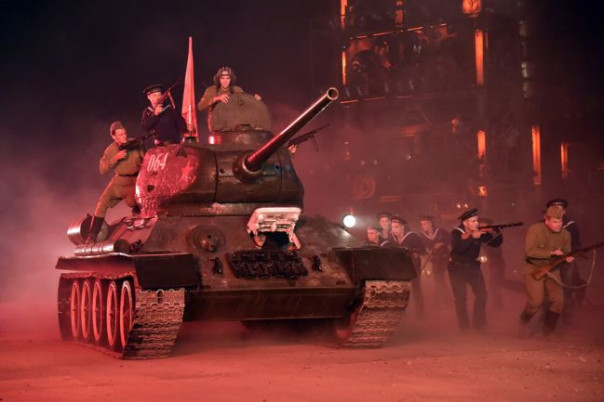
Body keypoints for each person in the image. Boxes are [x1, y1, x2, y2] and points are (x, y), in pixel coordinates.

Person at [86, 121, 145, 243]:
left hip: (135, 180)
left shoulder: (135, 144)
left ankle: (140, 230)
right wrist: (115, 158)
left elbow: (146, 160)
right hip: (119, 181)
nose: (124, 136)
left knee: (137, 203)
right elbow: (102, 169)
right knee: (102, 203)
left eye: (125, 133)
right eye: (120, 134)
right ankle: (92, 235)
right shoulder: (110, 150)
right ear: (114, 136)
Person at [520, 205, 573, 336]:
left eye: (560, 221)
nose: (558, 225)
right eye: (555, 221)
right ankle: (523, 322)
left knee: (558, 301)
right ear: (546, 220)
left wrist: (567, 258)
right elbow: (530, 251)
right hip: (533, 268)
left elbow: (566, 252)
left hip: (553, 269)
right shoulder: (535, 230)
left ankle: (548, 331)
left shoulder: (566, 234)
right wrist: (551, 252)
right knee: (535, 301)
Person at [449, 208, 503, 331]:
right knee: (461, 298)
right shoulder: (456, 233)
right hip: (457, 268)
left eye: (476, 221)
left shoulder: (478, 231)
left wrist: (497, 232)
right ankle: (464, 326)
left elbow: (495, 244)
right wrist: (472, 237)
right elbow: (459, 248)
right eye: (473, 221)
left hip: (473, 267)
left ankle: (478, 324)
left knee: (482, 294)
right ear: (465, 223)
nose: (476, 223)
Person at [545, 198, 586, 323]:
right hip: (549, 262)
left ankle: (567, 317)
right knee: (546, 290)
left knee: (567, 288)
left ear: (564, 211)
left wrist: (573, 253)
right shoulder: (543, 224)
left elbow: (576, 243)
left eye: (560, 208)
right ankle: (546, 318)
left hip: (567, 262)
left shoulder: (571, 226)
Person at [381, 216, 426, 315]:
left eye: (396, 227)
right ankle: (403, 313)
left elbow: (422, 249)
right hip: (400, 267)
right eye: (392, 227)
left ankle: (420, 313)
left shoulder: (412, 236)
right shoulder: (391, 237)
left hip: (413, 266)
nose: (394, 230)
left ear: (403, 227)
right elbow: (387, 246)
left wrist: (413, 251)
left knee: (416, 288)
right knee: (400, 289)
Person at [197, 66, 261, 131]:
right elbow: (200, 106)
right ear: (218, 79)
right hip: (217, 125)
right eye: (222, 78)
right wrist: (217, 98)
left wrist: (254, 100)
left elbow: (244, 104)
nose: (225, 81)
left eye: (228, 78)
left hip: (234, 125)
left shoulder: (237, 90)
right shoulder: (211, 90)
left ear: (231, 79)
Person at [418, 215, 451, 307]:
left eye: (425, 224)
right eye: (422, 224)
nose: (423, 226)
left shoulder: (441, 231)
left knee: (439, 277)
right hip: (434, 260)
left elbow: (450, 239)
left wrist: (441, 243)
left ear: (430, 223)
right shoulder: (421, 236)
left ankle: (437, 303)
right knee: (439, 279)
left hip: (444, 258)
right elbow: (421, 248)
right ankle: (445, 302)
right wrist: (426, 253)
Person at [478, 218, 507, 310]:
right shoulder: (480, 235)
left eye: (483, 225)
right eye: (480, 224)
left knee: (495, 283)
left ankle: (498, 304)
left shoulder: (493, 234)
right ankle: (496, 304)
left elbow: (496, 247)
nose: (481, 226)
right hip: (487, 263)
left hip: (496, 262)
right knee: (491, 283)